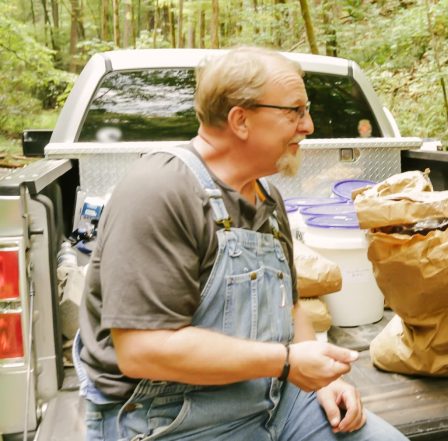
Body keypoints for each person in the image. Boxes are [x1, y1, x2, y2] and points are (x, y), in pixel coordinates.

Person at [76, 47, 407, 441]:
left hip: (271, 397)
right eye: (295, 111)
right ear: (241, 120)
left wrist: (320, 381)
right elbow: (142, 351)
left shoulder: (265, 195)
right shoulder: (161, 189)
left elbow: (292, 305)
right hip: (168, 417)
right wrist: (286, 363)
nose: (309, 126)